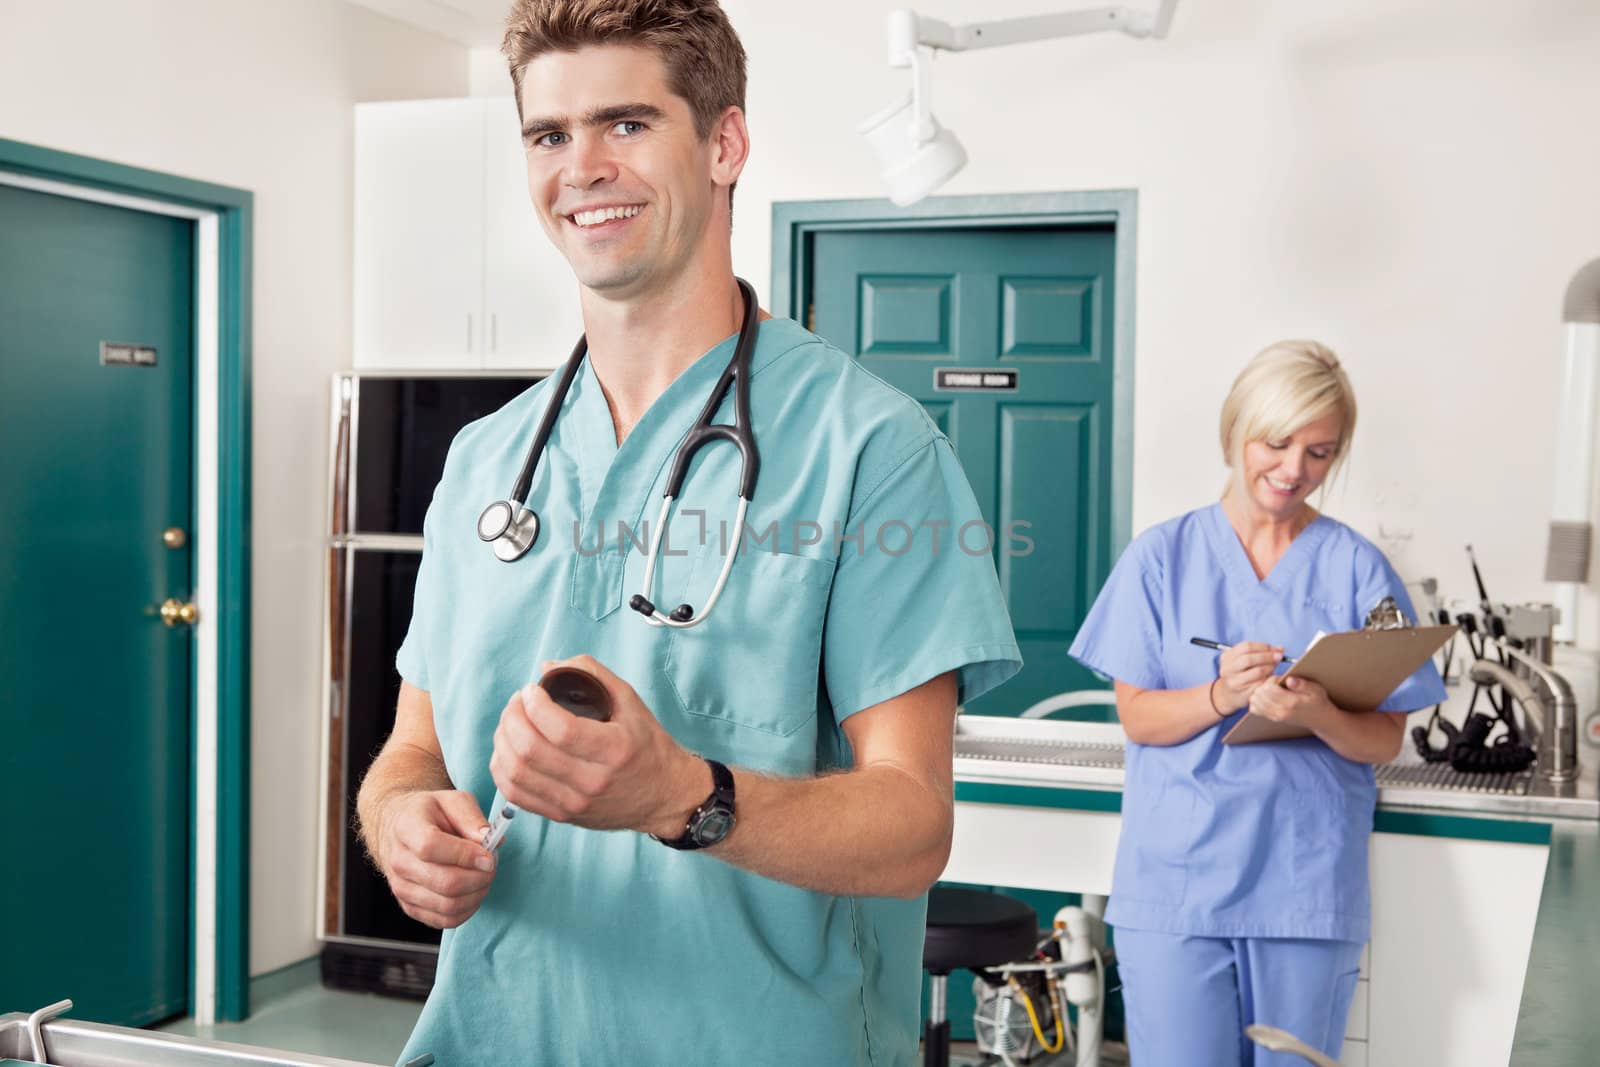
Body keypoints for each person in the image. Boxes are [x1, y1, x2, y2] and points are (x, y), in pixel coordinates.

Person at [355, 2, 1022, 1063]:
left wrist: (680, 794)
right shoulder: (488, 462)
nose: (581, 167)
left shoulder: (870, 451)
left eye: (624, 123)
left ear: (724, 144)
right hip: (497, 1036)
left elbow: (911, 827)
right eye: (549, 134)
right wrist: (397, 826)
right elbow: (412, 748)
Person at [1068, 340, 1446, 1066]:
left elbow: (1384, 738)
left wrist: (1319, 713)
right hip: (1176, 886)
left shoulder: (1357, 566)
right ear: (1236, 431)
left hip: (1304, 887)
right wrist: (1222, 694)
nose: (1294, 469)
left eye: (1320, 452)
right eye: (1277, 443)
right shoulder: (1162, 557)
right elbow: (1139, 716)